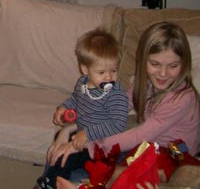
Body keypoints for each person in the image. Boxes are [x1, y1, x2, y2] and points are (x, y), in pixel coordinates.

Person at [50, 22, 200, 188]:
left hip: (171, 157)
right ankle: (49, 183)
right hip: (146, 146)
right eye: (155, 64)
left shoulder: (181, 99)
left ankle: (81, 184)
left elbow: (139, 135)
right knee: (72, 143)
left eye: (173, 66)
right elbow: (115, 107)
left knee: (90, 160)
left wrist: (89, 143)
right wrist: (70, 130)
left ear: (184, 64)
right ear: (143, 60)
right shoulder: (144, 82)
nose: (163, 73)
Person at [36, 29, 128, 189]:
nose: (109, 77)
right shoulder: (82, 83)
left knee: (68, 158)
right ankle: (51, 177)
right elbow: (75, 99)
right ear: (85, 70)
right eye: (102, 72)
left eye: (114, 71)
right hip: (82, 135)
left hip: (102, 145)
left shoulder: (116, 93)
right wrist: (64, 107)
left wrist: (87, 134)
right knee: (59, 138)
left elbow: (118, 124)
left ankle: (50, 183)